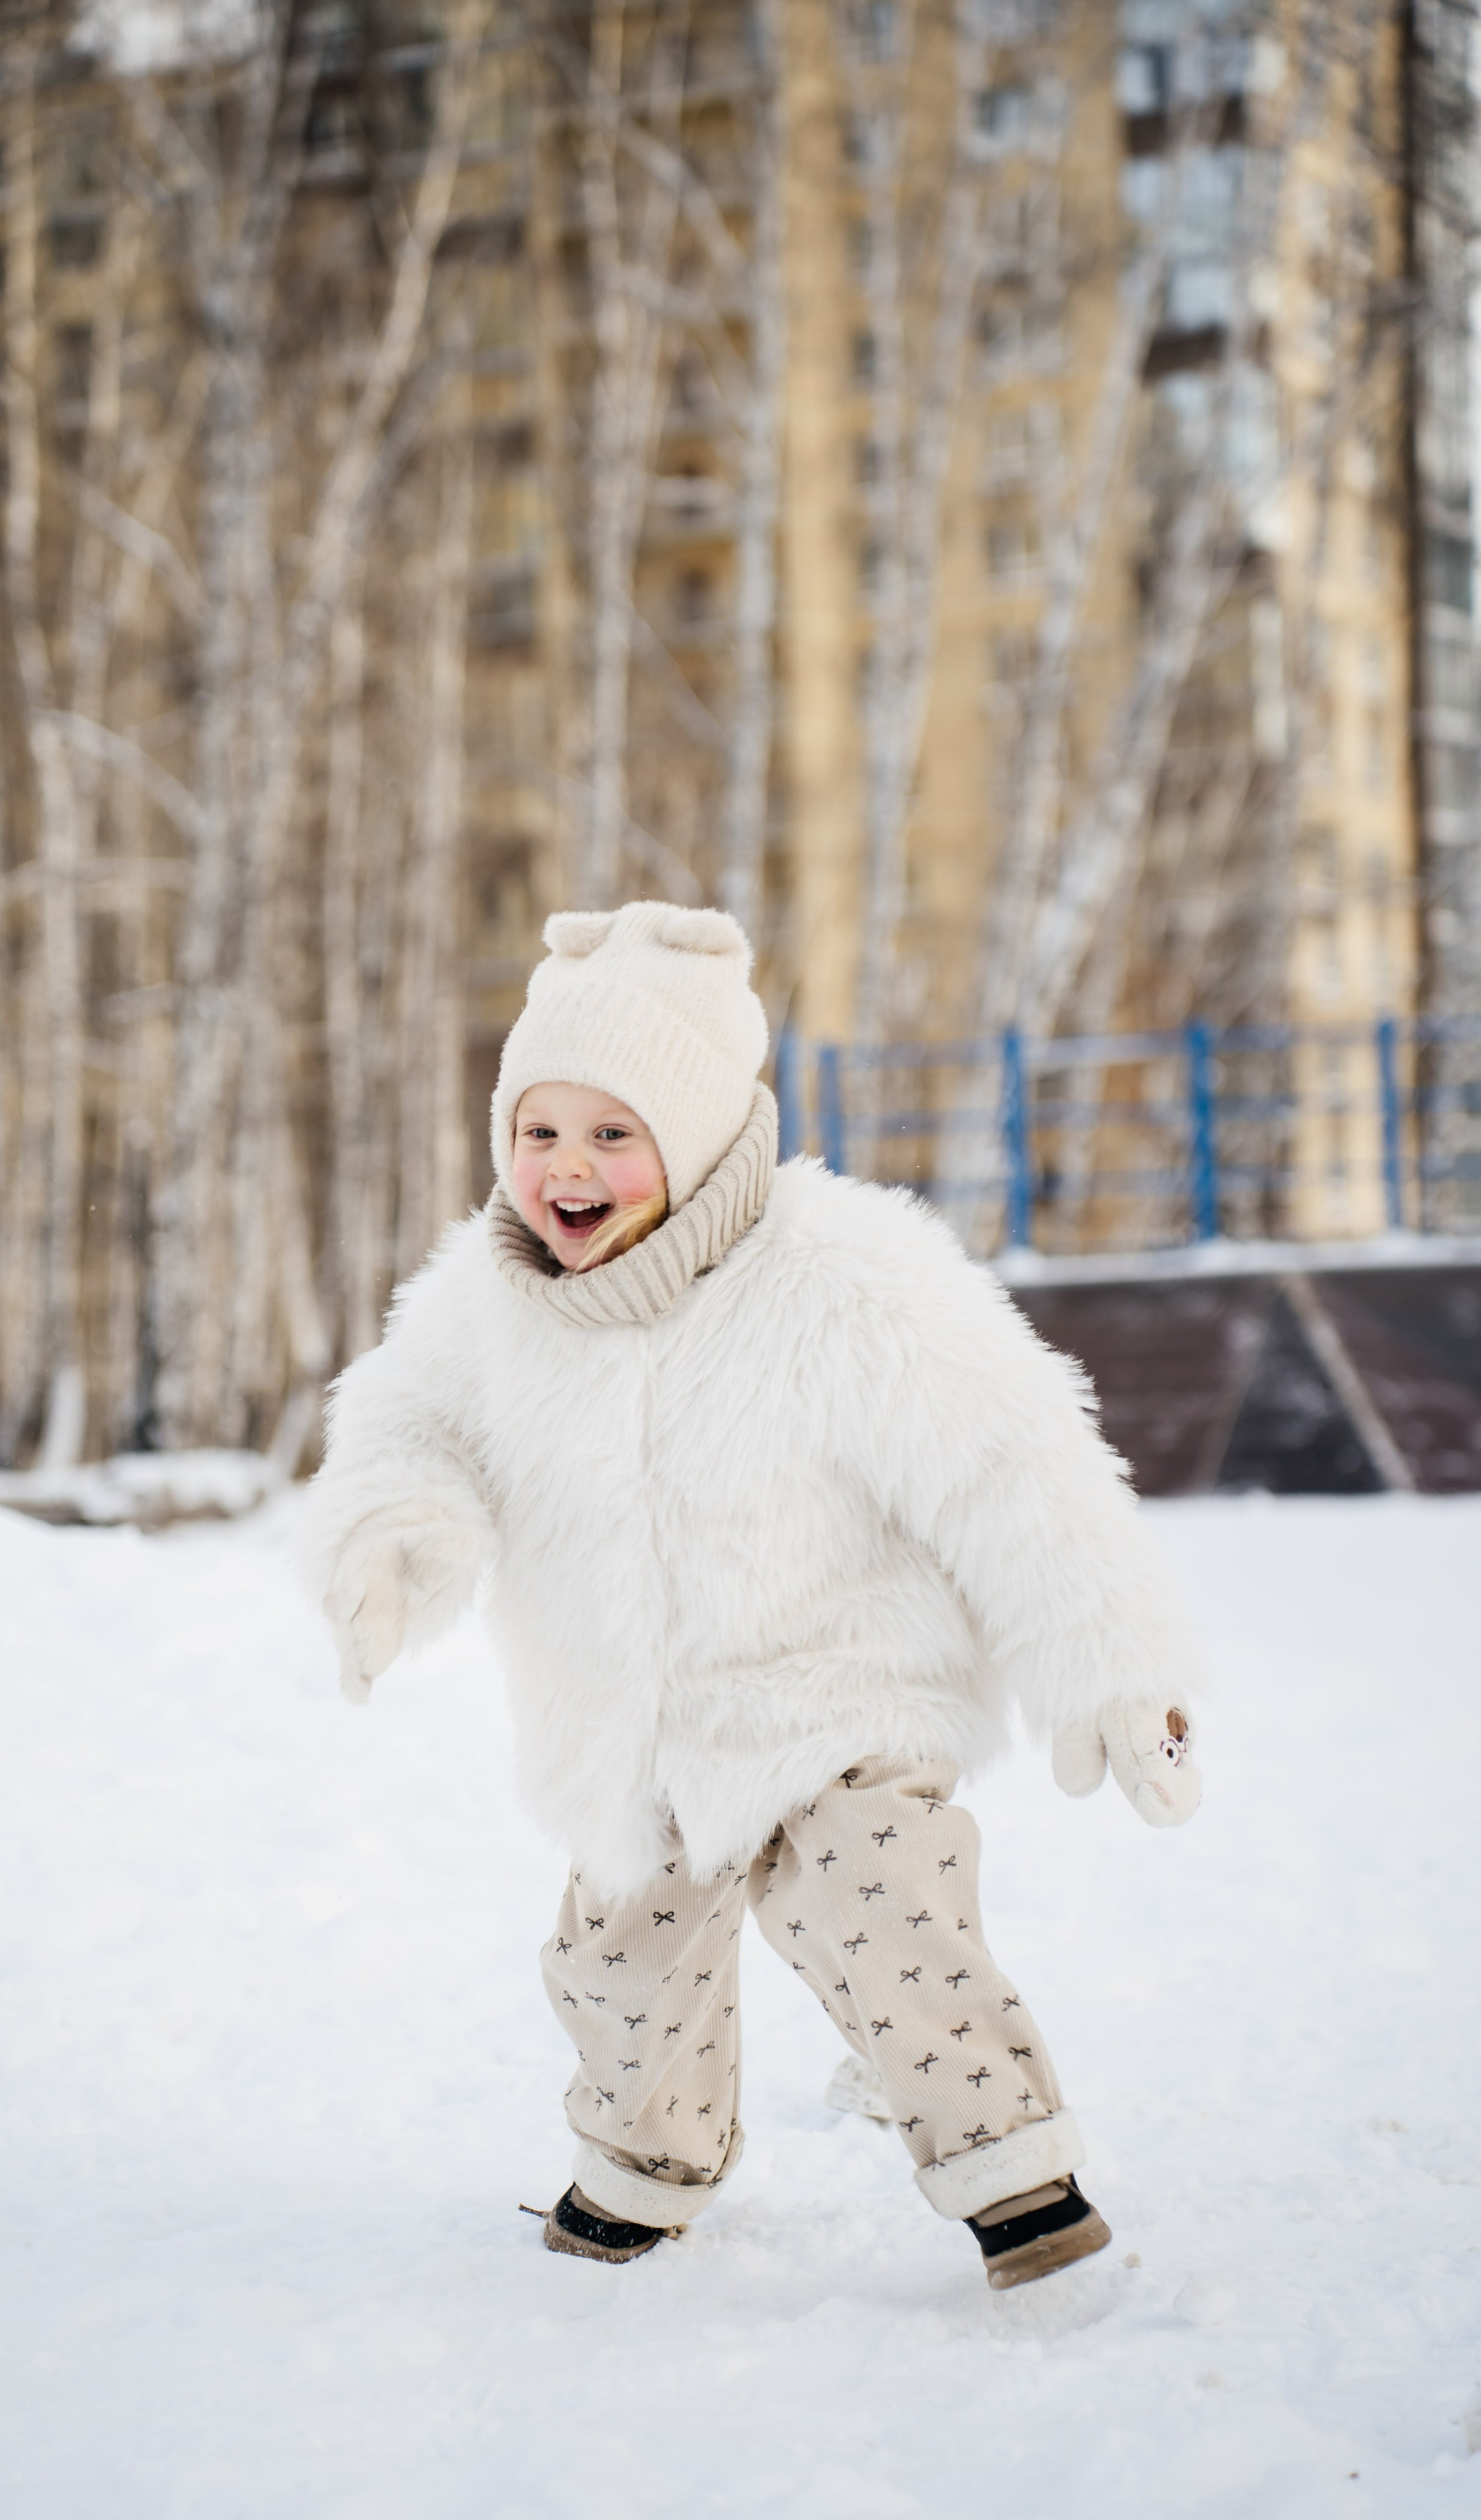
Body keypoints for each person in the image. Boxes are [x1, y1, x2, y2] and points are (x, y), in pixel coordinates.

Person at [300, 902, 1202, 2288]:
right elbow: (405, 1427)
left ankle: (1009, 2169)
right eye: (538, 1132)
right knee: (618, 1968)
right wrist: (388, 1541)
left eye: (614, 1133)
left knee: (880, 1913)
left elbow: (1015, 1467)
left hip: (835, 1685)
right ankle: (639, 2166)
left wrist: (1113, 1667)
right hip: (629, 1731)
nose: (566, 1169)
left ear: (707, 1130)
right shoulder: (485, 1302)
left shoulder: (839, 1273)